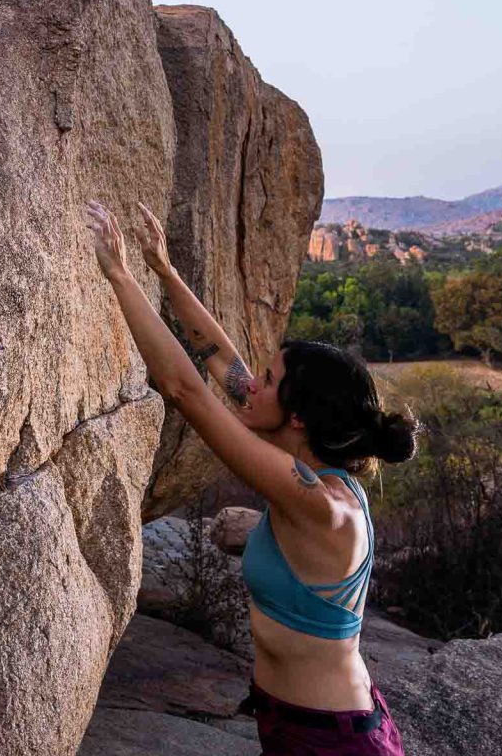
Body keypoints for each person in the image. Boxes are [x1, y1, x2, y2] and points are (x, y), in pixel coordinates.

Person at [84, 199, 416, 756]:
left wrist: (119, 275)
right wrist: (163, 271)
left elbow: (186, 390)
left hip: (329, 740)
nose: (250, 383)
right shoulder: (313, 466)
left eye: (267, 379)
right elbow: (218, 359)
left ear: (298, 418)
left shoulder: (320, 503)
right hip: (298, 722)